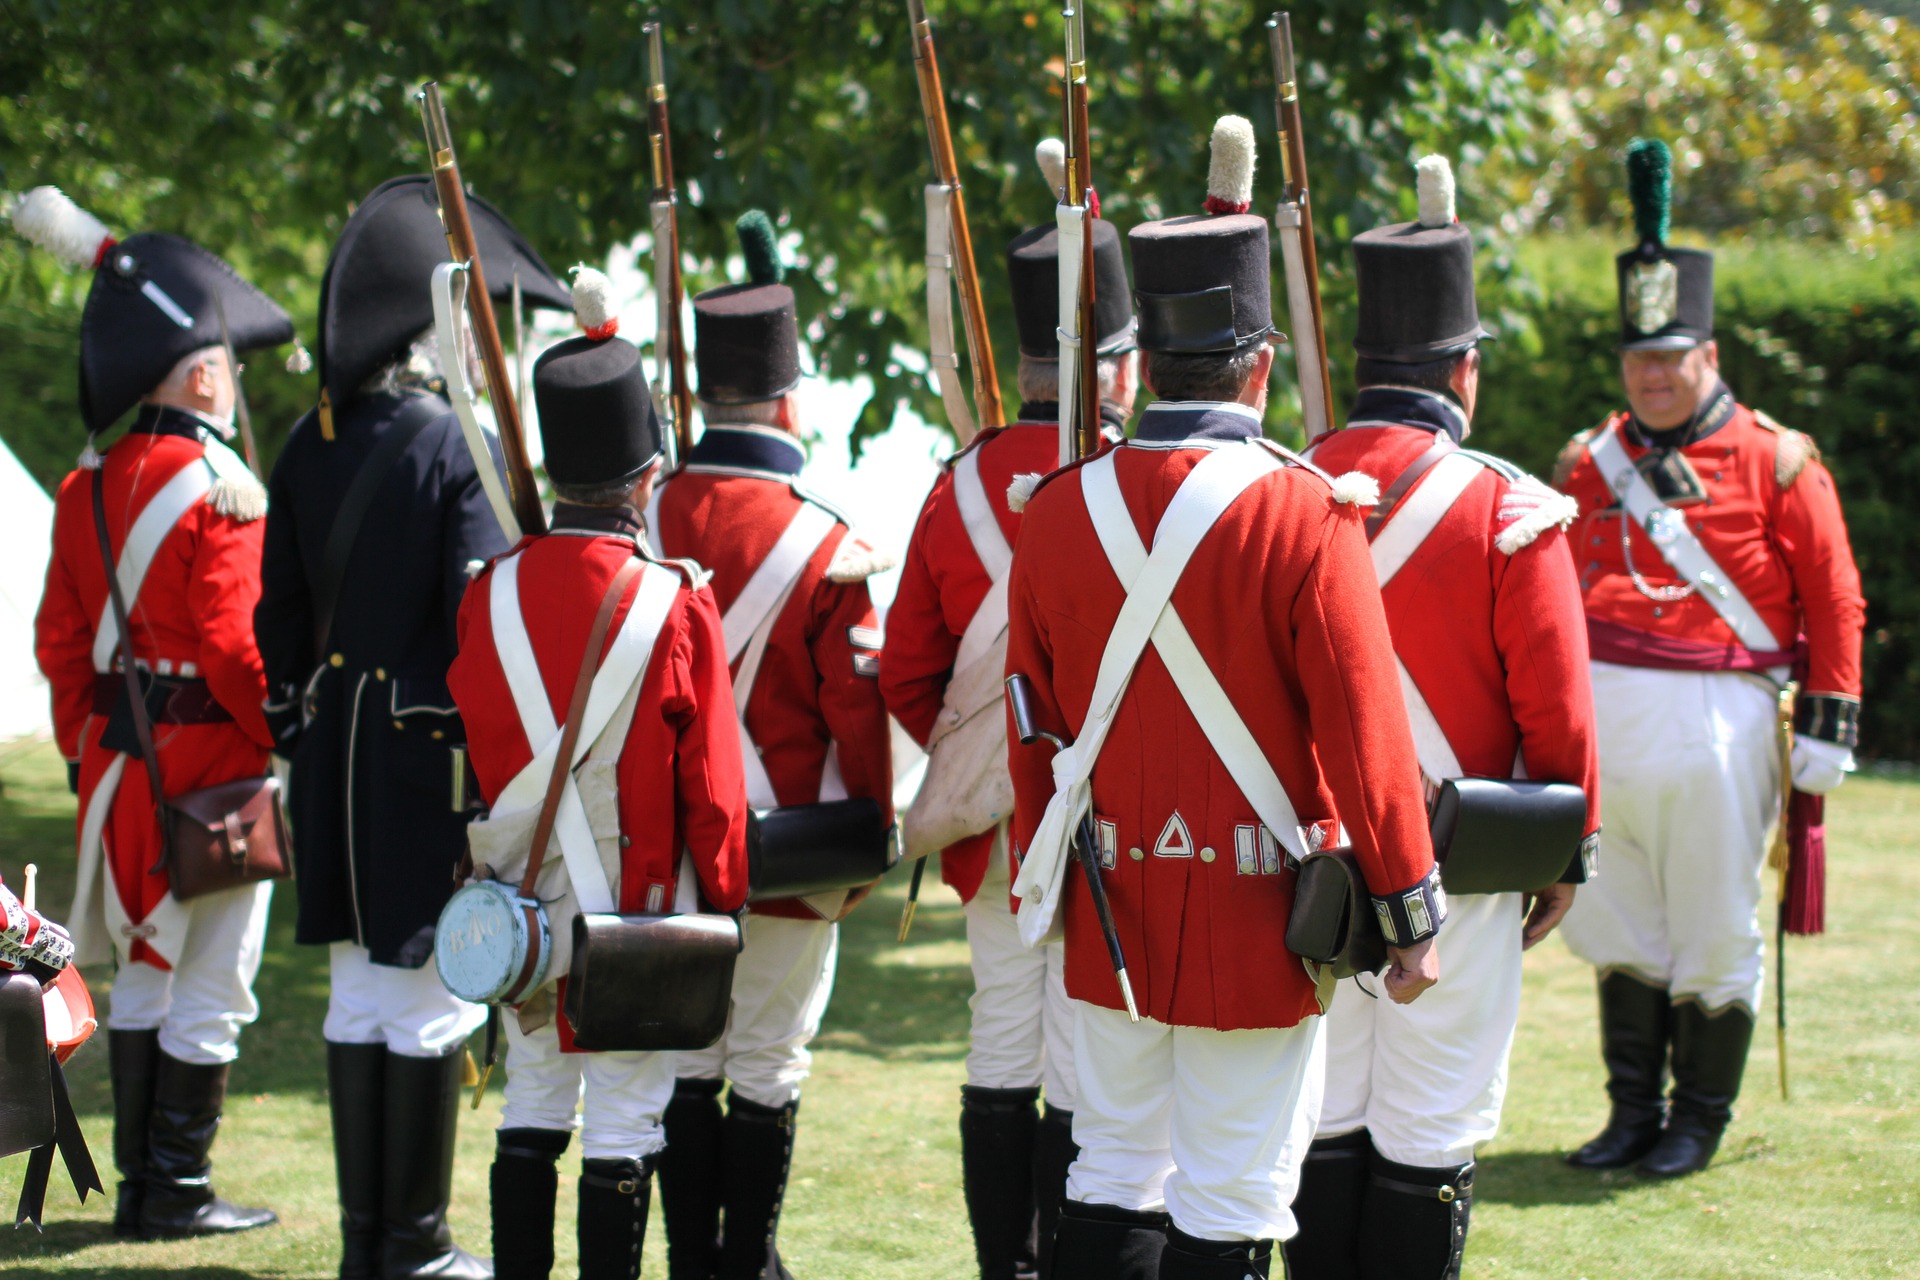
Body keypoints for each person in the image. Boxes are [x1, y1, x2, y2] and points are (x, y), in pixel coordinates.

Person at [1002, 118, 1442, 1280]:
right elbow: (1366, 728)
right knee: (1237, 1190)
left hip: (1108, 896)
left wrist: (1042, 879)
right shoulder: (1310, 510)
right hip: (1262, 911)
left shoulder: (1053, 511)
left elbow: (1031, 722)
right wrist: (1407, 910)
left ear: (1143, 360)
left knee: (1107, 1168)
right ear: (1259, 363)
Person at [1287, 156, 1601, 1279]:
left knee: (1316, 1122)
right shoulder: (1508, 507)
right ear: (1463, 371)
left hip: (1307, 865)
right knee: (1429, 1133)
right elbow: (1556, 711)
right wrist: (1564, 849)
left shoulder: (1283, 484)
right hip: (1460, 868)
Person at [253, 175, 572, 1279]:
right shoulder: (455, 445)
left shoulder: (307, 442)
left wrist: (303, 713)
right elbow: (480, 627)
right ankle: (416, 1243)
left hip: (330, 756)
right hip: (425, 765)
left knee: (359, 992)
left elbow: (279, 621)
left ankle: (367, 1245)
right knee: (433, 995)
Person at [1554, 139, 1865, 1179]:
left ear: (1711, 355)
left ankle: (1700, 1118)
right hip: (1604, 725)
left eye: (1671, 357)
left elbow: (1834, 596)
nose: (1652, 374)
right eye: (1638, 358)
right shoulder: (1584, 462)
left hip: (1720, 724)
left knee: (1712, 923)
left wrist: (1828, 725)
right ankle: (1631, 1109)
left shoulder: (1781, 458)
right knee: (1622, 919)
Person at [448, 275, 751, 1280]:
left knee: (533, 1100)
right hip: (637, 905)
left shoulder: (485, 595)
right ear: (645, 475)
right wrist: (729, 897)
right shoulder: (671, 601)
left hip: (518, 904)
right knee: (625, 1113)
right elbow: (712, 787)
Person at [879, 140, 1136, 1280]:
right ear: (1109, 363)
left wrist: (982, 750)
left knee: (1002, 1031)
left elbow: (903, 672)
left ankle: (1006, 1267)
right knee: (1084, 1049)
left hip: (994, 824)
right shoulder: (1137, 479)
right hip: (1117, 815)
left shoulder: (957, 481)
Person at [15, 185, 288, 1238]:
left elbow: (58, 641)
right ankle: (173, 1189)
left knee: (141, 971)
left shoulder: (88, 484)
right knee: (212, 979)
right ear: (207, 372)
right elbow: (231, 645)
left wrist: (93, 751)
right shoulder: (224, 484)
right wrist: (281, 734)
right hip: (214, 775)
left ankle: (143, 1185)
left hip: (121, 772)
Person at [647, 212, 895, 1280]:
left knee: (688, 1059)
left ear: (704, 396)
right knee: (768, 1058)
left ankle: (697, 1259)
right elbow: (859, 721)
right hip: (788, 845)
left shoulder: (645, 516)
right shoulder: (827, 538)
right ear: (791, 400)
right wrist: (867, 841)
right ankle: (748, 1259)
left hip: (661, 846)